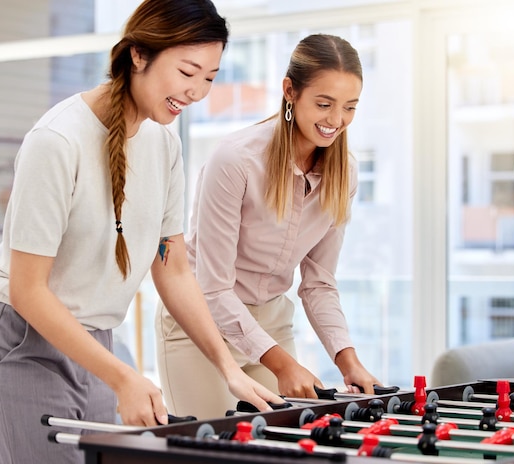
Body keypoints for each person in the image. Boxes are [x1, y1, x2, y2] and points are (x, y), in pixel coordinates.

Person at [0, 1, 284, 463]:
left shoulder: (164, 143)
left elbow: (173, 269)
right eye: (187, 71)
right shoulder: (57, 141)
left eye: (210, 77)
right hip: (25, 340)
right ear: (139, 55)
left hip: (97, 340)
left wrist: (227, 367)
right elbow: (27, 290)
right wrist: (121, 378)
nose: (197, 90)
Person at [156, 33, 384, 420]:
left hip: (271, 325)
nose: (336, 120)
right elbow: (213, 287)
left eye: (349, 107)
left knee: (281, 447)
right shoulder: (236, 161)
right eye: (324, 104)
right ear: (290, 91)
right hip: (201, 327)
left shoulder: (345, 175)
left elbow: (318, 283)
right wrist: (282, 366)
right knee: (217, 452)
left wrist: (348, 361)